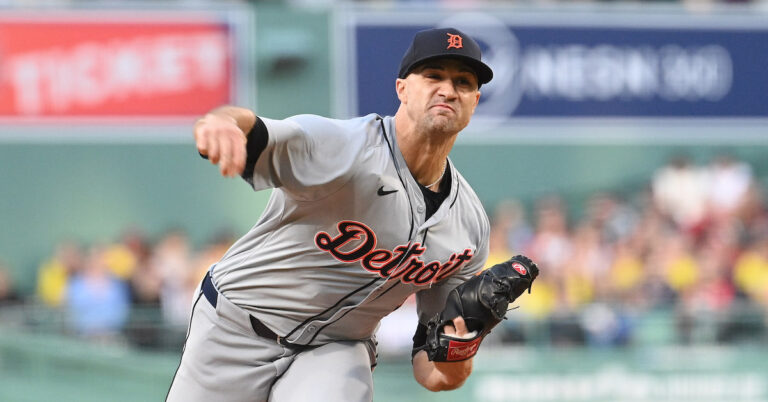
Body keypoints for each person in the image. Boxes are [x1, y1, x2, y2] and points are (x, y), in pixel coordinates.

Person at [167, 27, 534, 401]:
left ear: (475, 101)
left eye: (463, 81)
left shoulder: (468, 228)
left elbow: (431, 372)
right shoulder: (344, 147)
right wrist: (223, 122)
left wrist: (464, 345)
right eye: (433, 75)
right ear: (402, 89)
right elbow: (256, 130)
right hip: (236, 327)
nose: (448, 89)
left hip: (336, 348)